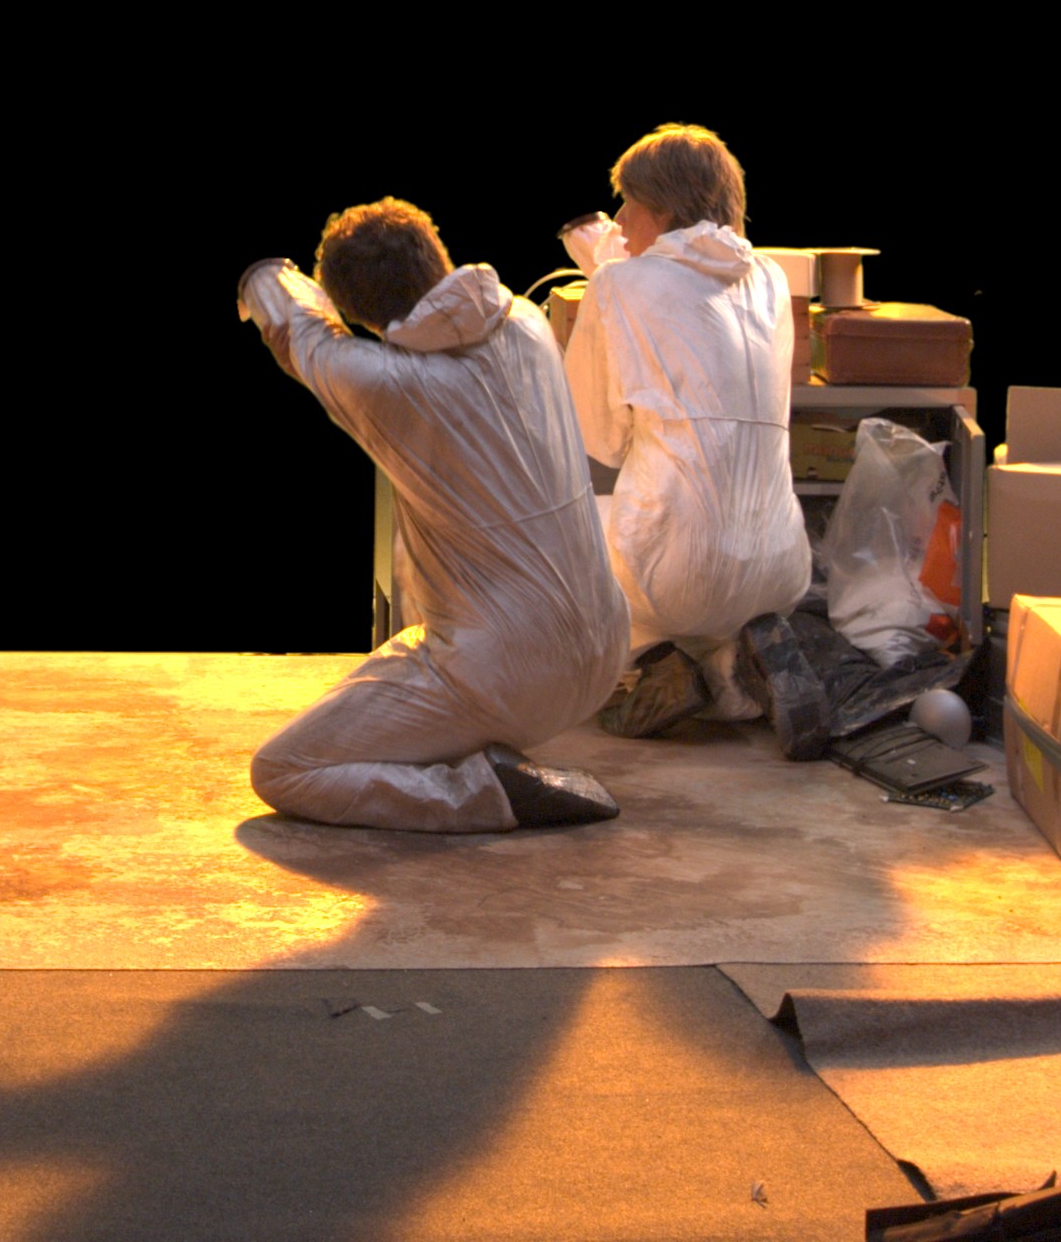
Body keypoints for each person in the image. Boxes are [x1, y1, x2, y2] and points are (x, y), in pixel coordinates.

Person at [235, 198, 629, 831]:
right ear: (438, 257)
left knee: (285, 768)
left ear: (360, 313)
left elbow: (295, 332)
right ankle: (486, 747)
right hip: (608, 648)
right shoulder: (527, 323)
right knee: (396, 658)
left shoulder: (386, 384)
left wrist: (266, 276)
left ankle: (484, 792)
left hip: (509, 674)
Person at [556, 123, 812, 739]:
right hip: (782, 568)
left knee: (559, 536)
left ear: (664, 209)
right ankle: (733, 672)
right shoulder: (771, 279)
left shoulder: (616, 284)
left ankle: (654, 664)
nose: (620, 220)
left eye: (629, 203)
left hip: (676, 578)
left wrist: (606, 287)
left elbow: (598, 437)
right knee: (703, 560)